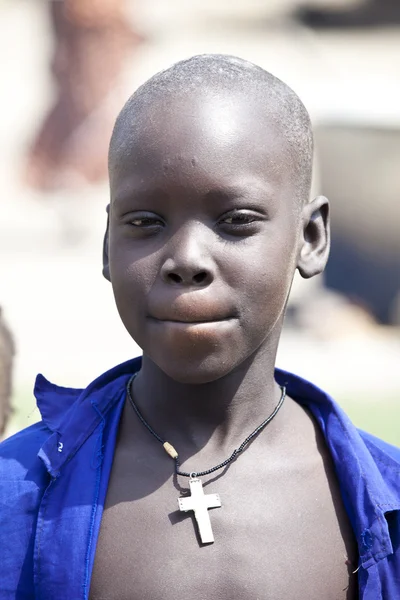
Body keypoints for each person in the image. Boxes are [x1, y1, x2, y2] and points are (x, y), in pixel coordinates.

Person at [1, 55, 399, 599]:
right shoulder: (14, 494)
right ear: (107, 245)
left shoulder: (383, 500)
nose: (186, 259)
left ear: (310, 238)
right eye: (145, 223)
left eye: (235, 221)